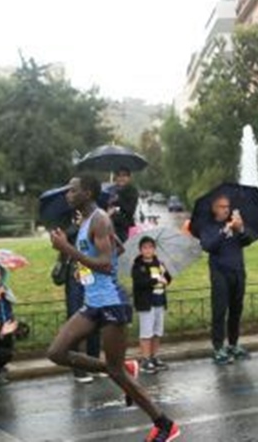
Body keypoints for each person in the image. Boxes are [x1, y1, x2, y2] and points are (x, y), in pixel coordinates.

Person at [48, 175, 180, 442]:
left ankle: (165, 425)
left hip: (111, 303)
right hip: (93, 302)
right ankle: (124, 367)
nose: (68, 194)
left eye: (73, 191)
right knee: (57, 352)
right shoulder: (88, 220)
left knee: (115, 371)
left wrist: (67, 249)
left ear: (87, 193)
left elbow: (108, 264)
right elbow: (117, 247)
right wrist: (84, 266)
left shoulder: (98, 219)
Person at [199, 194, 253, 364]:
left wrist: (241, 229)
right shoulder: (208, 226)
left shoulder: (236, 224)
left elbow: (248, 240)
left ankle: (233, 344)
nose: (226, 209)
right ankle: (218, 347)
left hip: (237, 271)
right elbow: (208, 246)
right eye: (222, 206)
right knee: (220, 311)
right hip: (220, 273)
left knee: (236, 310)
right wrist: (224, 231)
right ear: (214, 208)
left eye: (227, 206)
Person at [60, 219, 102, 384]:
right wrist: (80, 225)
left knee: (94, 321)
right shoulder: (70, 226)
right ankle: (79, 368)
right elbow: (67, 236)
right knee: (78, 323)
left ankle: (94, 362)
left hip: (90, 274)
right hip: (76, 274)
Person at [131, 235, 172, 373]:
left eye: (150, 247)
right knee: (146, 333)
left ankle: (154, 356)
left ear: (154, 249)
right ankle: (145, 359)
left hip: (159, 302)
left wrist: (164, 275)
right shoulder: (138, 266)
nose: (148, 250)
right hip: (146, 304)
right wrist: (156, 280)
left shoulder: (159, 264)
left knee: (157, 332)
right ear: (141, 250)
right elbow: (140, 282)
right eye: (145, 248)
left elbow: (168, 279)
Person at [108, 167, 139, 243]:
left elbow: (130, 210)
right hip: (110, 227)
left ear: (129, 177)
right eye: (119, 175)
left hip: (125, 228)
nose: (121, 178)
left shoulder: (132, 191)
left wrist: (119, 199)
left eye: (124, 175)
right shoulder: (111, 190)